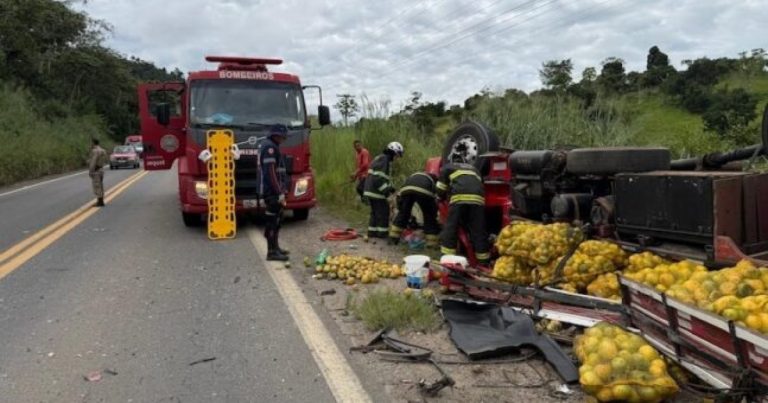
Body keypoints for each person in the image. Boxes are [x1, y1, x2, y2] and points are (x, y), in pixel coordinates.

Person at [436, 160, 490, 265]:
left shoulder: (448, 167)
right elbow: (479, 184)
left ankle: (447, 258)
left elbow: (440, 188)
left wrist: (440, 197)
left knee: (451, 227)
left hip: (459, 197)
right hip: (478, 200)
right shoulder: (475, 169)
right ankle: (483, 260)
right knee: (478, 229)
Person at [259, 124, 291, 261]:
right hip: (272, 192)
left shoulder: (272, 145)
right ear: (277, 135)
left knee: (277, 221)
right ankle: (271, 252)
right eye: (283, 137)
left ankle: (276, 248)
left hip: (275, 191)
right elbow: (270, 172)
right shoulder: (270, 148)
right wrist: (279, 192)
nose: (284, 139)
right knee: (272, 222)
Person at [362, 141, 404, 239]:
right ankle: (382, 233)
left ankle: (372, 232)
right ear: (393, 152)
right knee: (384, 211)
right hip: (376, 192)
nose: (397, 158)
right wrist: (387, 191)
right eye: (397, 155)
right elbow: (378, 178)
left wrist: (391, 188)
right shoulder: (384, 159)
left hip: (371, 190)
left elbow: (381, 177)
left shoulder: (381, 158)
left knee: (375, 213)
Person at [389, 171, 440, 248]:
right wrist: (434, 214)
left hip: (406, 189)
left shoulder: (414, 175)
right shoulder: (432, 181)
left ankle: (393, 237)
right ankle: (432, 244)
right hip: (424, 191)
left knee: (403, 213)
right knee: (429, 216)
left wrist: (401, 208)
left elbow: (400, 196)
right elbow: (433, 202)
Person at [88, 138, 109, 207]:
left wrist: (91, 171)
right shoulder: (103, 150)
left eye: (91, 143)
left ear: (93, 143)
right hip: (101, 169)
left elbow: (93, 162)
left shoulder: (95, 151)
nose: (90, 144)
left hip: (96, 170)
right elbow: (105, 160)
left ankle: (100, 202)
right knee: (100, 185)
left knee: (97, 186)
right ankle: (101, 200)